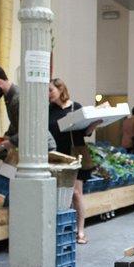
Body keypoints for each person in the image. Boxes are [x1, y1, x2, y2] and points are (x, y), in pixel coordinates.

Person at [48, 78, 101, 245]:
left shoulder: (75, 107)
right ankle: (64, 229)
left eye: (50, 90)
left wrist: (93, 125)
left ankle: (80, 231)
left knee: (76, 194)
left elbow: (85, 132)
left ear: (61, 89)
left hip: (75, 153)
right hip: (57, 155)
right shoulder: (48, 110)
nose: (48, 94)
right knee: (61, 195)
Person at [0, 63, 56, 155]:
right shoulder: (9, 97)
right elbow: (17, 122)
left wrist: (1, 146)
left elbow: (29, 131)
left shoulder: (18, 99)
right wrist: (7, 136)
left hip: (43, 150)